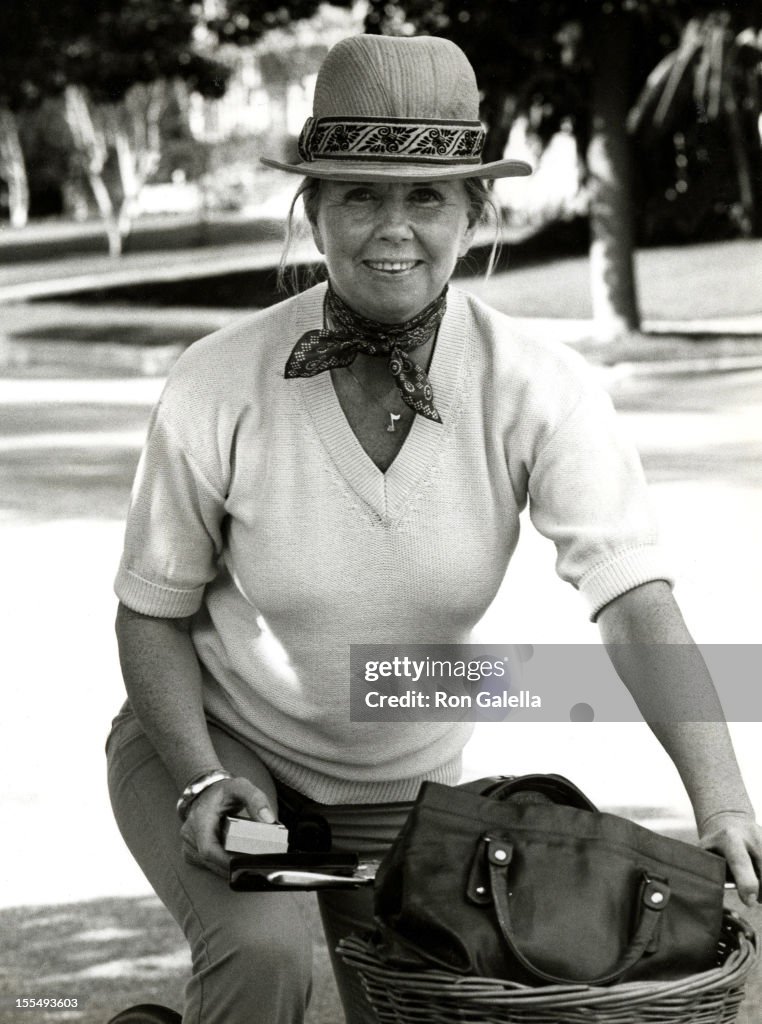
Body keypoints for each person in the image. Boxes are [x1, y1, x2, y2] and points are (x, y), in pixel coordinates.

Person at [107, 33, 761, 1024]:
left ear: (475, 212)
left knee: (446, 1004)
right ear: (313, 208)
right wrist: (200, 777)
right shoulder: (216, 380)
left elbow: (633, 598)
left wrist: (722, 800)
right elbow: (148, 614)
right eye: (359, 195)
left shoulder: (541, 388)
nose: (391, 230)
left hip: (399, 787)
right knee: (266, 957)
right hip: (216, 743)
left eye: (425, 196)